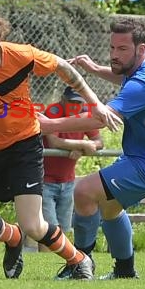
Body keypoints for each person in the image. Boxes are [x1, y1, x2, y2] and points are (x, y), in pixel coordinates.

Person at [0, 5, 121, 280]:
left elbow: (64, 68)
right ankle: (12, 237)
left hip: (23, 145)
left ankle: (79, 260)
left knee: (34, 225)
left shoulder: (22, 56)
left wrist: (95, 103)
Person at [39, 17, 145, 279]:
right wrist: (95, 68)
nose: (114, 55)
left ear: (140, 49)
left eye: (122, 50)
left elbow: (102, 118)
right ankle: (125, 270)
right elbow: (124, 77)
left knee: (83, 191)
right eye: (112, 48)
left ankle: (80, 264)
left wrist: (49, 126)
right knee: (110, 207)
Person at [39, 86, 103, 252]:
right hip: (45, 180)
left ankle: (63, 263)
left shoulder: (85, 114)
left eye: (79, 103)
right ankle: (44, 261)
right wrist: (82, 145)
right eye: (72, 102)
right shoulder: (52, 111)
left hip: (68, 181)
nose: (75, 106)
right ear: (63, 99)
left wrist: (83, 148)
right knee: (49, 229)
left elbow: (99, 142)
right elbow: (54, 142)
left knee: (65, 228)